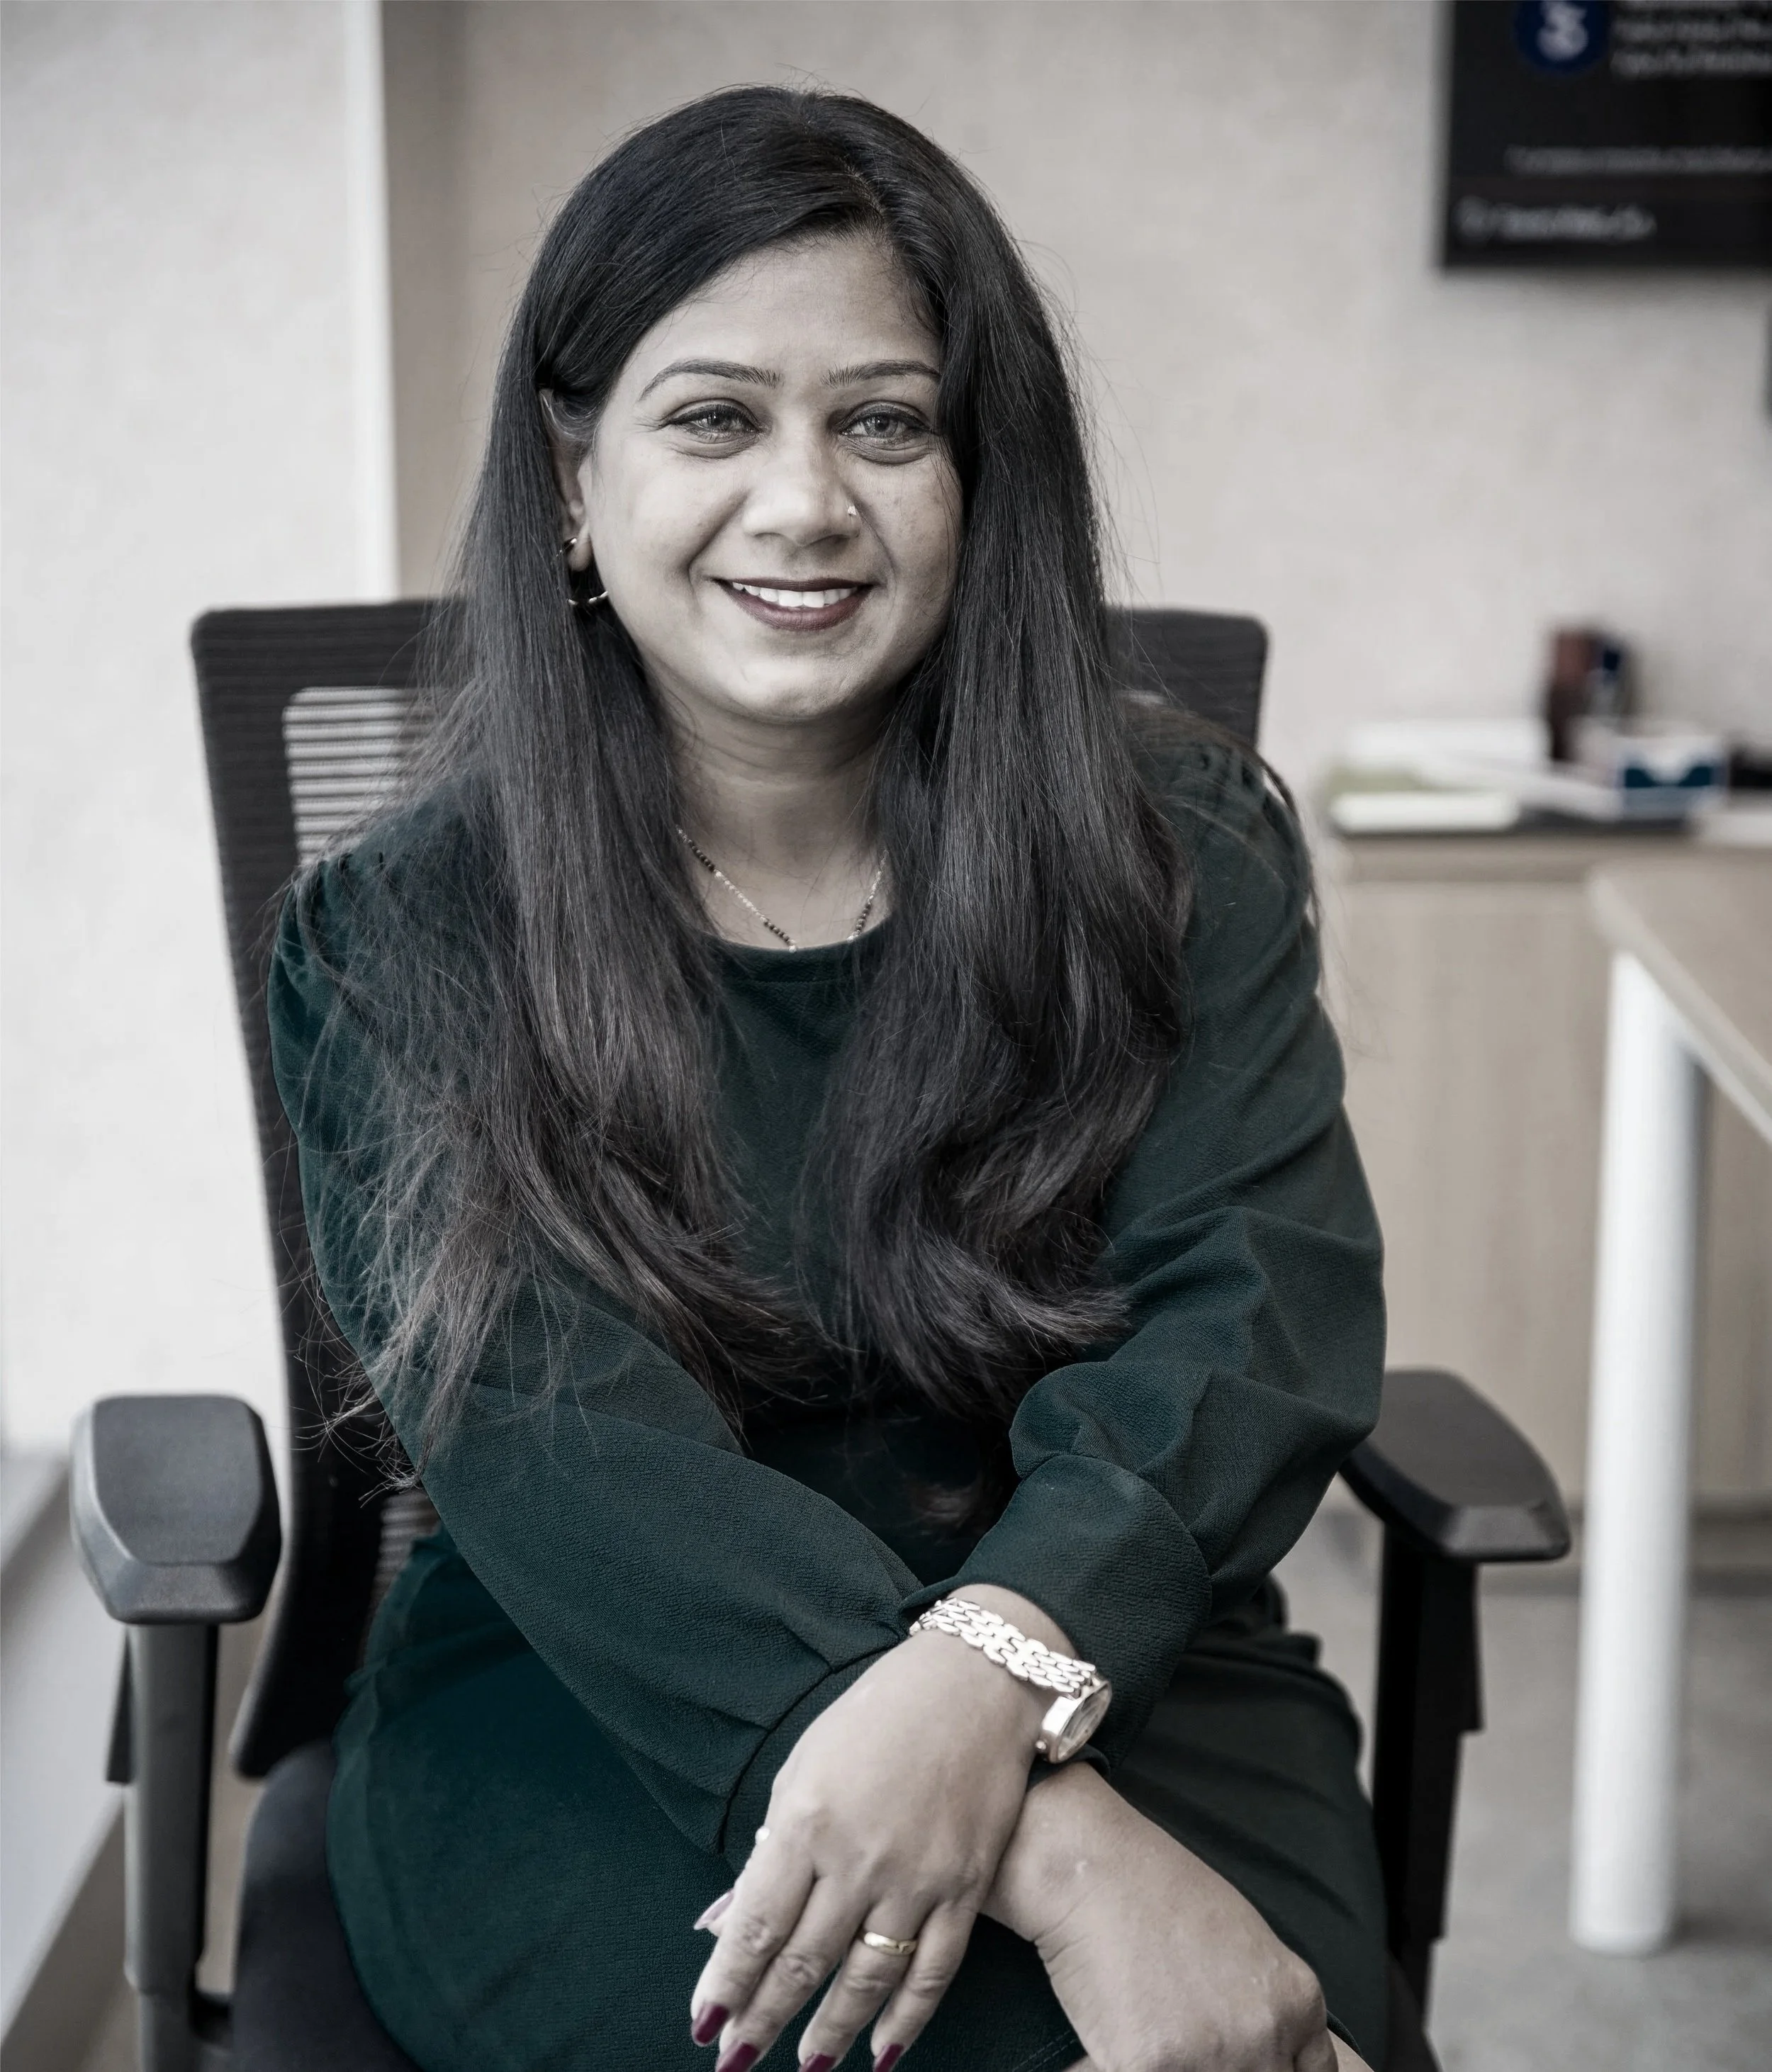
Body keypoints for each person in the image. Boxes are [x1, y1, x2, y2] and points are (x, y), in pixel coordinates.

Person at [268, 86, 1390, 2072]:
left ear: (977, 473)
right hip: (597, 1682)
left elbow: (1256, 1313)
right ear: (564, 477)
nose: (804, 503)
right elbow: (564, 1460)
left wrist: (990, 1675)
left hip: (1113, 1633)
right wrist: (1051, 1840)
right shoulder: (400, 934)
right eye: (713, 418)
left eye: (882, 421)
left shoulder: (1180, 840)